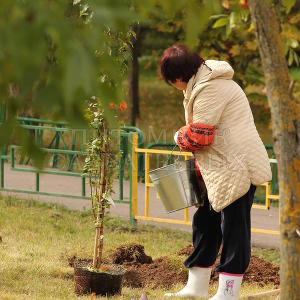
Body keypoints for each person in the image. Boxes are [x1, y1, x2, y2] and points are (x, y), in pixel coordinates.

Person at [160, 45, 272, 299]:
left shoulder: (210, 87)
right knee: (206, 222)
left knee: (234, 226)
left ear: (178, 77)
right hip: (219, 166)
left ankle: (227, 293)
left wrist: (178, 136)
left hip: (236, 167)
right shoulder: (202, 83)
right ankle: (196, 287)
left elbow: (200, 135)